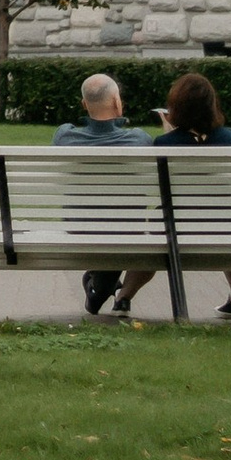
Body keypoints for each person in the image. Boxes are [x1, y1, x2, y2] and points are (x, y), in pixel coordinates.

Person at [104, 72, 231, 322]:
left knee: (161, 231)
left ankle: (123, 297)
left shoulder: (165, 142)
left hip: (176, 231)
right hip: (228, 230)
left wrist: (170, 135)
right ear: (211, 105)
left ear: (176, 108)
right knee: (224, 212)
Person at [52, 70, 148, 317]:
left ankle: (100, 289)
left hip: (79, 228)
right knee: (127, 230)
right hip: (128, 231)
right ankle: (109, 292)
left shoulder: (65, 136)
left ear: (84, 104)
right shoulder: (139, 140)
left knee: (106, 227)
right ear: (118, 102)